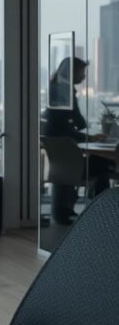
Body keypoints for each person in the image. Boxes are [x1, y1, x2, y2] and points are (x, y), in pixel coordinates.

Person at [41, 57, 112, 224]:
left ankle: (91, 211)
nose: (84, 76)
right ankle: (103, 214)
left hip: (61, 166)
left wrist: (87, 134)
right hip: (73, 166)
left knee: (99, 162)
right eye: (82, 71)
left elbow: (74, 124)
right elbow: (72, 127)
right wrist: (90, 137)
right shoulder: (65, 94)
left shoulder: (56, 90)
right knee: (102, 164)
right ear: (73, 72)